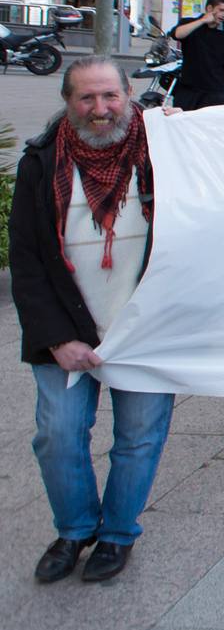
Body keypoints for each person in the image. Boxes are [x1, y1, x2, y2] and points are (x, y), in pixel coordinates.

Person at [13, 57, 178, 583]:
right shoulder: (41, 161)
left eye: (110, 96)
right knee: (57, 435)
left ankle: (117, 534)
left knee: (139, 437)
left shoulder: (165, 152)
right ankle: (76, 528)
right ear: (68, 102)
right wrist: (56, 337)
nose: (100, 108)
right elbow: (26, 259)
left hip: (144, 328)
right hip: (66, 327)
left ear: (129, 95)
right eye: (87, 98)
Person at [168, 0, 224, 110]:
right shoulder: (189, 23)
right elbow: (177, 34)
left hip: (214, 91)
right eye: (221, 10)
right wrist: (201, 21)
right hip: (188, 89)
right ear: (209, 8)